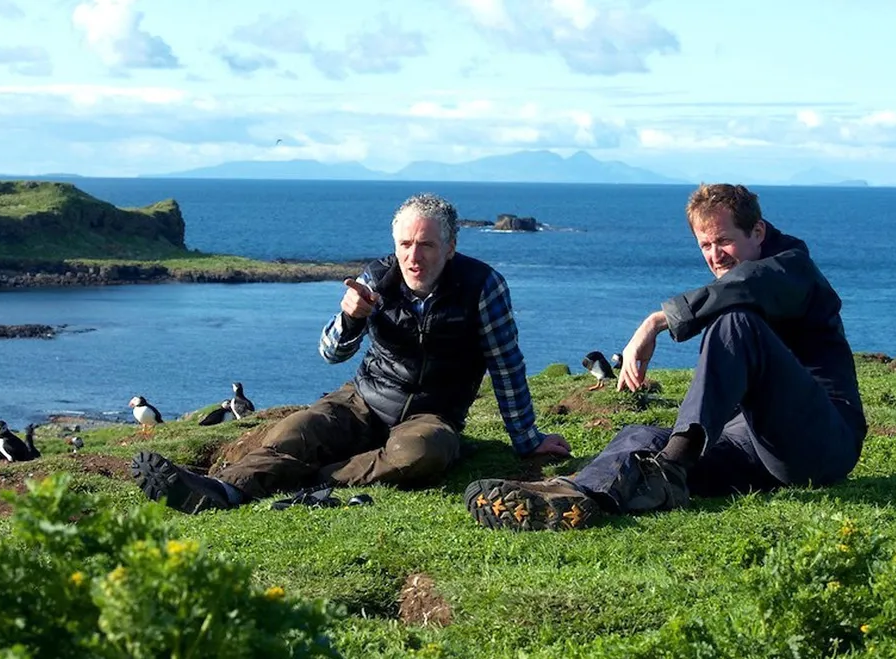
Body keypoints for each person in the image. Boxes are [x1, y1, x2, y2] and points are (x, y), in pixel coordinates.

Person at [131, 193, 571, 513]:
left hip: (433, 415)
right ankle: (219, 490)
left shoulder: (482, 286)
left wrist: (526, 440)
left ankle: (313, 476)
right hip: (363, 399)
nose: (413, 256)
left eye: (427, 245)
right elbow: (330, 352)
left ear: (451, 247)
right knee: (295, 430)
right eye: (405, 245)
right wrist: (351, 318)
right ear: (394, 244)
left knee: (422, 453)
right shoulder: (375, 279)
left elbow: (506, 365)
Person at [465, 183, 868, 531]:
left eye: (724, 241)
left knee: (734, 323)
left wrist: (657, 321)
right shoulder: (741, 282)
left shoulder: (793, 268)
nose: (715, 256)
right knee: (640, 436)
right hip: (756, 447)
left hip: (822, 445)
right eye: (705, 246)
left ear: (758, 231)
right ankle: (575, 495)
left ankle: (671, 468)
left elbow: (751, 285)